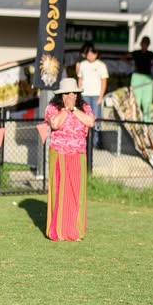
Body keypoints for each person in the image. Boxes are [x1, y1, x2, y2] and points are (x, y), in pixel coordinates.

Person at [44, 78, 95, 241]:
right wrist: (66, 111)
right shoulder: (52, 108)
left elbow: (90, 122)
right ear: (61, 96)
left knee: (76, 192)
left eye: (74, 93)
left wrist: (74, 110)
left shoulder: (84, 108)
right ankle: (59, 231)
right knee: (60, 191)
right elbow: (55, 124)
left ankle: (75, 231)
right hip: (59, 153)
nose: (71, 96)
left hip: (78, 154)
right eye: (67, 93)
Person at [76, 43, 108, 148]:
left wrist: (101, 96)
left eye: (92, 53)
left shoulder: (101, 65)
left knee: (96, 119)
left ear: (96, 54)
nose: (90, 55)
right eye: (88, 53)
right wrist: (79, 94)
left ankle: (96, 143)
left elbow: (104, 81)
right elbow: (80, 79)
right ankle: (84, 143)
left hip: (96, 95)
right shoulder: (83, 64)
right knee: (84, 119)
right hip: (84, 95)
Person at [125, 36, 153, 122]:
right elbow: (124, 56)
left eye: (146, 43)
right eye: (144, 43)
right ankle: (135, 119)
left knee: (147, 100)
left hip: (147, 76)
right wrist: (131, 64)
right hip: (137, 76)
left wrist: (151, 65)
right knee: (136, 99)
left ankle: (146, 121)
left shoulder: (150, 54)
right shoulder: (136, 53)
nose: (145, 45)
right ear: (141, 44)